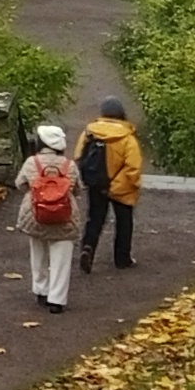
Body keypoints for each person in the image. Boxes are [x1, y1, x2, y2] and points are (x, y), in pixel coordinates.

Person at [18, 123, 84, 310]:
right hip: (64, 216)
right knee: (61, 258)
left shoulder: (32, 163)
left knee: (38, 253)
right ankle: (57, 299)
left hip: (36, 214)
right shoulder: (69, 165)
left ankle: (41, 289)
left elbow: (20, 184)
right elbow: (78, 189)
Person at [77, 97, 146, 273]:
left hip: (95, 184)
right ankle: (122, 259)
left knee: (95, 219)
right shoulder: (127, 138)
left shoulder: (89, 132)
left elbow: (79, 155)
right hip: (120, 188)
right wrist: (116, 186)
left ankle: (88, 247)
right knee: (124, 221)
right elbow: (133, 167)